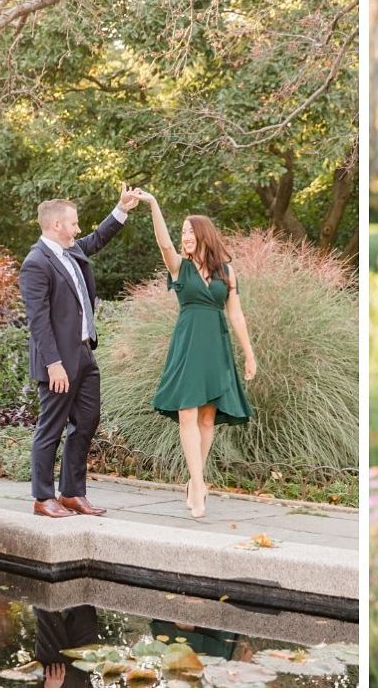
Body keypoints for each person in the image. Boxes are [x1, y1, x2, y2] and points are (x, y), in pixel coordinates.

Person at [130, 189, 257, 518]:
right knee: (186, 413)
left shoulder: (226, 272)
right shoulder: (178, 268)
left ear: (203, 235)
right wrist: (153, 203)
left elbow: (237, 314)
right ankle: (199, 485)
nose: (184, 236)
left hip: (216, 344)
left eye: (189, 231)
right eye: (182, 231)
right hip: (187, 344)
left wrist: (250, 354)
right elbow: (163, 244)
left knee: (206, 418)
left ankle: (194, 481)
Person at [20, 188, 140, 518]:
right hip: (58, 361)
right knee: (51, 428)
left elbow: (97, 239)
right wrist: (54, 364)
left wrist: (121, 209)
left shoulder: (71, 252)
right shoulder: (36, 263)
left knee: (86, 422)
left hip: (85, 355)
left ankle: (72, 493)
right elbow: (38, 321)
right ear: (56, 225)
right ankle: (43, 498)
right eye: (73, 224)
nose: (78, 229)